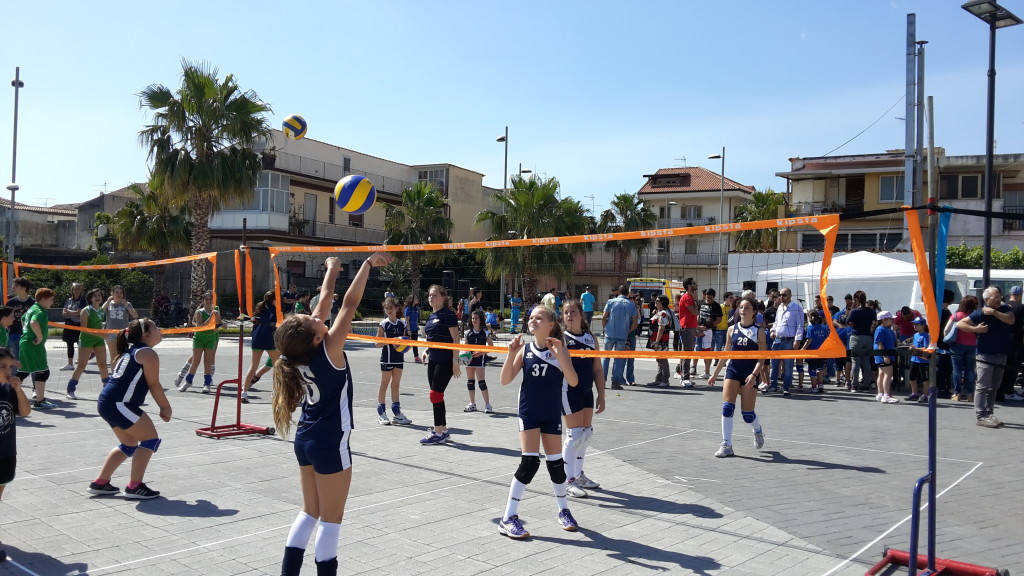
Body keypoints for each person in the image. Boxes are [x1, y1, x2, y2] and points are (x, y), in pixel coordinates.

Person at [271, 253, 391, 576]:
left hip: (306, 438)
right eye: (313, 320)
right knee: (331, 522)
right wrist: (366, 266)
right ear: (315, 336)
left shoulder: (297, 354)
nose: (317, 316)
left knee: (309, 513)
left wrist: (333, 270)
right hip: (329, 442)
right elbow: (348, 305)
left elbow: (324, 302)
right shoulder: (330, 347)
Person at [497, 306, 580, 539]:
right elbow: (504, 380)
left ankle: (564, 511)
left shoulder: (559, 349)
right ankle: (508, 517)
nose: (533, 320)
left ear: (551, 324)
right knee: (530, 463)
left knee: (556, 464)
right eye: (531, 317)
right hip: (529, 412)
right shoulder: (524, 350)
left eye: (538, 317)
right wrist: (511, 354)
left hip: (551, 413)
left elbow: (573, 381)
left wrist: (562, 354)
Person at [88, 317, 171, 500]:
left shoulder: (130, 352)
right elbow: (154, 384)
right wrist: (165, 407)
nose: (160, 330)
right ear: (146, 334)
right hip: (119, 404)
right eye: (156, 326)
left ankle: (100, 483)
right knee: (150, 440)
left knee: (129, 444)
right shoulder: (147, 353)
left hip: (109, 403)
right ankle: (135, 486)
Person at [708, 296, 767, 458]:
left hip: (750, 372)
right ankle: (726, 444)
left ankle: (757, 430)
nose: (743, 310)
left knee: (747, 414)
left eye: (747, 307)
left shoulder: (759, 331)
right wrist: (714, 374)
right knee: (727, 407)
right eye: (741, 307)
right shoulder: (731, 329)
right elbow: (726, 354)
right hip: (733, 370)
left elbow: (762, 358)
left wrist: (754, 375)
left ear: (754, 312)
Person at [561, 299, 605, 498]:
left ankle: (578, 475)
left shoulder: (590, 338)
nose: (569, 316)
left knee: (586, 434)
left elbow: (597, 368)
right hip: (568, 391)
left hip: (587, 391)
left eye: (573, 312)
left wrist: (602, 395)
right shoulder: (560, 338)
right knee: (574, 435)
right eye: (566, 312)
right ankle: (566, 480)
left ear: (581, 315)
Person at [957, 286, 1014, 428]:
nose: (999, 298)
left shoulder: (1005, 308)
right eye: (996, 296)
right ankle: (981, 415)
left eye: (999, 295)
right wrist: (976, 329)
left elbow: (1011, 320)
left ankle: (989, 413)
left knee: (994, 387)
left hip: (1001, 354)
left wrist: (994, 312)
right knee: (982, 386)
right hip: (985, 355)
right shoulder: (980, 313)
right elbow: (960, 324)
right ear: (987, 299)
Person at [421, 284, 462, 445]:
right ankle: (443, 429)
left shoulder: (448, 314)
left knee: (435, 395)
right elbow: (432, 339)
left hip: (446, 360)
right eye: (430, 295)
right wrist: (426, 350)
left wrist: (455, 362)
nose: (431, 298)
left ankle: (437, 432)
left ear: (443, 297)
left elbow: (456, 339)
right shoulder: (431, 317)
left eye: (435, 295)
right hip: (433, 359)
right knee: (436, 396)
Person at [0, 348, 30, 562]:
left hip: (6, 452)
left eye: (10, 366)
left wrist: (19, 390)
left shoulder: (10, 389)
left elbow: (26, 412)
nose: (8, 370)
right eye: (2, 366)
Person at [374, 297, 413, 426]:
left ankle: (397, 413)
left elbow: (406, 343)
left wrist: (404, 344)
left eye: (391, 307)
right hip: (387, 358)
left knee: (396, 385)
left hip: (398, 359)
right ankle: (381, 413)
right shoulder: (384, 324)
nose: (389, 310)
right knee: (384, 384)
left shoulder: (402, 324)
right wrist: (392, 341)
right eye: (386, 308)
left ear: (396, 308)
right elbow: (377, 343)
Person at [66, 289, 111, 400]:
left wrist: (103, 333)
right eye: (95, 295)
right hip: (86, 339)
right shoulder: (86, 310)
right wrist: (101, 334)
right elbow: (84, 329)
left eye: (99, 295)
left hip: (98, 339)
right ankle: (70, 389)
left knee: (102, 364)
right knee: (81, 365)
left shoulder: (101, 310)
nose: (98, 297)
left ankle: (107, 389)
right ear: (90, 298)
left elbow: (100, 322)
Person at [19, 288, 56, 409]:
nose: (52, 302)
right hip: (33, 344)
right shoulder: (40, 310)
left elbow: (23, 319)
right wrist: (39, 337)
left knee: (23, 372)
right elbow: (33, 322)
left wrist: (27, 333)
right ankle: (40, 401)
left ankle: (7, 392)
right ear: (44, 299)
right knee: (43, 371)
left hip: (25, 342)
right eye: (50, 299)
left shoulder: (32, 308)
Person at [178, 291, 220, 394]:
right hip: (199, 338)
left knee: (208, 362)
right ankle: (188, 381)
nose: (209, 301)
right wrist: (211, 317)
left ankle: (207, 384)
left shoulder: (215, 312)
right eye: (206, 299)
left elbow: (217, 326)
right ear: (203, 301)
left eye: (210, 299)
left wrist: (217, 321)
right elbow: (201, 326)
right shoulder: (199, 312)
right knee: (196, 361)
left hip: (210, 338)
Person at [243, 291, 280, 404]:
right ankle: (275, 392)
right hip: (269, 339)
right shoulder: (275, 310)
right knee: (277, 366)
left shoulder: (260, 307)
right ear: (274, 299)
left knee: (253, 365)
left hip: (257, 338)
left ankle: (243, 392)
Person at [767, 287, 804, 396]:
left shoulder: (796, 308)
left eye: (784, 295)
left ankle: (786, 387)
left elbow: (800, 325)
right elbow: (776, 322)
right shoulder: (779, 307)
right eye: (780, 295)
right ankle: (773, 386)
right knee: (774, 365)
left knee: (788, 366)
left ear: (790, 296)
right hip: (777, 339)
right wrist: (773, 330)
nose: (782, 297)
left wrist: (798, 340)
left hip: (789, 340)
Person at [601, 285, 637, 390]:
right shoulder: (631, 304)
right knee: (618, 359)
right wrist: (628, 331)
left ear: (619, 292)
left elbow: (604, 317)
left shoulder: (611, 302)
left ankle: (602, 380)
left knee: (606, 357)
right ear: (627, 293)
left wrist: (605, 328)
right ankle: (615, 381)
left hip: (609, 334)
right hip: (622, 335)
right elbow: (635, 322)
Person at [946, 296, 979, 403]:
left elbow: (946, 329)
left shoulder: (956, 315)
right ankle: (970, 394)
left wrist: (948, 339)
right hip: (972, 345)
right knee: (970, 370)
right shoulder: (974, 316)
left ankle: (957, 393)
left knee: (957, 369)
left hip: (957, 345)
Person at [463, 309, 494, 414]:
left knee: (482, 382)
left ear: (480, 319)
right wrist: (465, 355)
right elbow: (465, 347)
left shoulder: (485, 332)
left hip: (480, 359)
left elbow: (491, 347)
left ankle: (488, 404)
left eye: (476, 318)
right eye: (472, 318)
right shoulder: (467, 333)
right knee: (470, 382)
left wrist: (480, 353)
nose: (474, 320)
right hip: (470, 360)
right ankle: (472, 404)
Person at [845, 291, 876, 393]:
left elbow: (847, 321)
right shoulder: (871, 311)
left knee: (855, 361)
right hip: (868, 337)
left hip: (856, 336)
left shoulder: (854, 311)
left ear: (856, 300)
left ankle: (854, 385)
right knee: (866, 361)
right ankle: (866, 384)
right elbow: (874, 322)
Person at [102, 286, 138, 372]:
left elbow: (135, 316)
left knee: (123, 354)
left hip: (123, 333)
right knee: (113, 355)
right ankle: (114, 373)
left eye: (121, 293)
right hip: (110, 332)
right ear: (112, 294)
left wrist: (127, 306)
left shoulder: (127, 303)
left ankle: (122, 372)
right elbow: (100, 312)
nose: (119, 294)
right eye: (116, 292)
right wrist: (107, 302)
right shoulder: (109, 303)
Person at [998, 285, 1024, 402]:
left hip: (1003, 340)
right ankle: (1009, 391)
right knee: (1013, 367)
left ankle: (1001, 390)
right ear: (1021, 294)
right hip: (1017, 341)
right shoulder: (1021, 307)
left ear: (1010, 294)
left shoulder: (1004, 306)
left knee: (1002, 367)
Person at [675, 278, 699, 386]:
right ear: (689, 286)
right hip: (687, 327)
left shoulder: (690, 297)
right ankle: (685, 378)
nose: (695, 285)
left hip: (690, 327)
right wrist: (695, 300)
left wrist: (697, 327)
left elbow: (695, 313)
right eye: (693, 283)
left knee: (688, 351)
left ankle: (682, 374)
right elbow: (694, 311)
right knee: (687, 352)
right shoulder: (688, 297)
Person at [646, 295, 673, 387]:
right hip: (656, 339)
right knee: (659, 360)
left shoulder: (663, 314)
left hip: (661, 341)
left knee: (663, 360)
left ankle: (665, 380)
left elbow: (661, 328)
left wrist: (657, 342)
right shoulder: (659, 312)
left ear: (662, 303)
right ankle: (659, 378)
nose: (655, 301)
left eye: (657, 300)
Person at [801, 310, 830, 394]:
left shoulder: (810, 327)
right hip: (822, 351)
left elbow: (809, 339)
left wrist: (803, 348)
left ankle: (814, 387)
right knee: (820, 368)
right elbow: (826, 338)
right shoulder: (824, 327)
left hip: (812, 351)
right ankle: (820, 385)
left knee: (812, 369)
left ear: (810, 318)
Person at [5, 278, 34, 360]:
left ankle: (33, 373)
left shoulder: (33, 302)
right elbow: (5, 319)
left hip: (29, 335)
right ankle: (16, 373)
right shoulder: (10, 302)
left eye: (16, 285)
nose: (13, 287)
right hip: (14, 334)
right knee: (15, 361)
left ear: (24, 288)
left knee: (30, 360)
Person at [873, 311, 899, 404]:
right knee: (888, 374)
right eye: (890, 319)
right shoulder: (880, 329)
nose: (892, 320)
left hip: (884, 354)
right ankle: (886, 395)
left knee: (882, 374)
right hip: (884, 355)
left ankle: (880, 393)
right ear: (884, 320)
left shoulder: (886, 329)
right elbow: (880, 343)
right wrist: (885, 355)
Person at [60, 283, 87, 370]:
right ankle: (70, 364)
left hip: (78, 325)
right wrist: (70, 312)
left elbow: (79, 313)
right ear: (72, 290)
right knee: (69, 344)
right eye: (75, 289)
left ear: (81, 291)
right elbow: (63, 313)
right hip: (68, 324)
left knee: (80, 344)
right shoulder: (69, 300)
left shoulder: (83, 301)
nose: (76, 291)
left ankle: (81, 363)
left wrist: (69, 312)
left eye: (78, 289)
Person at [906, 317, 931, 403]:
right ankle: (914, 393)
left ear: (923, 325)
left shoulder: (926, 335)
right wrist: (911, 347)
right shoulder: (916, 335)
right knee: (912, 376)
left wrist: (917, 349)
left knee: (925, 378)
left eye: (917, 324)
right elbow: (914, 345)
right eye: (914, 324)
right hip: (914, 359)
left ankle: (925, 395)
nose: (915, 326)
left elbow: (926, 347)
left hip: (923, 360)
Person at [404, 294, 422, 363]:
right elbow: (407, 320)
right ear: (412, 300)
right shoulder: (408, 308)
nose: (417, 299)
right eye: (416, 298)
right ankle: (400, 355)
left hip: (415, 329)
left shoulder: (416, 308)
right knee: (405, 344)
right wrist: (408, 330)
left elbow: (416, 318)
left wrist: (417, 326)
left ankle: (416, 357)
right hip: (408, 329)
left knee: (415, 344)